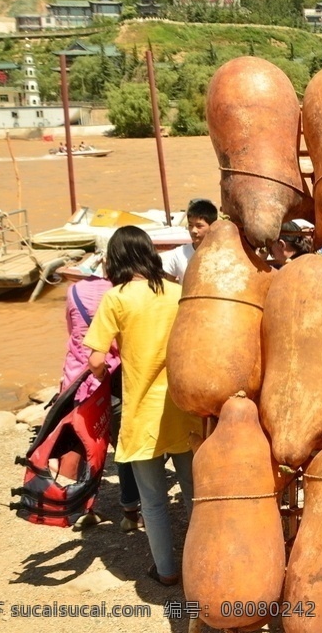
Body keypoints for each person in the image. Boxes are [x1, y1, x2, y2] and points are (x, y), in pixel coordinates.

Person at [85, 226, 200, 586]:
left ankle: (166, 571)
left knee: (152, 502)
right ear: (149, 254)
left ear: (116, 258)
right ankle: (203, 568)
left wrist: (115, 364)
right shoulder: (178, 292)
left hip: (142, 411)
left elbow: (94, 361)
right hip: (184, 407)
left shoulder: (116, 298)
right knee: (196, 496)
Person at [60, 266, 142, 533]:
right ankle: (130, 512)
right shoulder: (117, 293)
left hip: (79, 380)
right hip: (114, 379)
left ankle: (85, 511)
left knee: (85, 446)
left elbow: (72, 332)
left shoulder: (72, 291)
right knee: (123, 447)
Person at [161, 198, 218, 283]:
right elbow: (167, 286)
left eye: (199, 226)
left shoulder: (223, 254)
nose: (193, 231)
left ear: (212, 226)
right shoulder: (178, 254)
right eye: (190, 225)